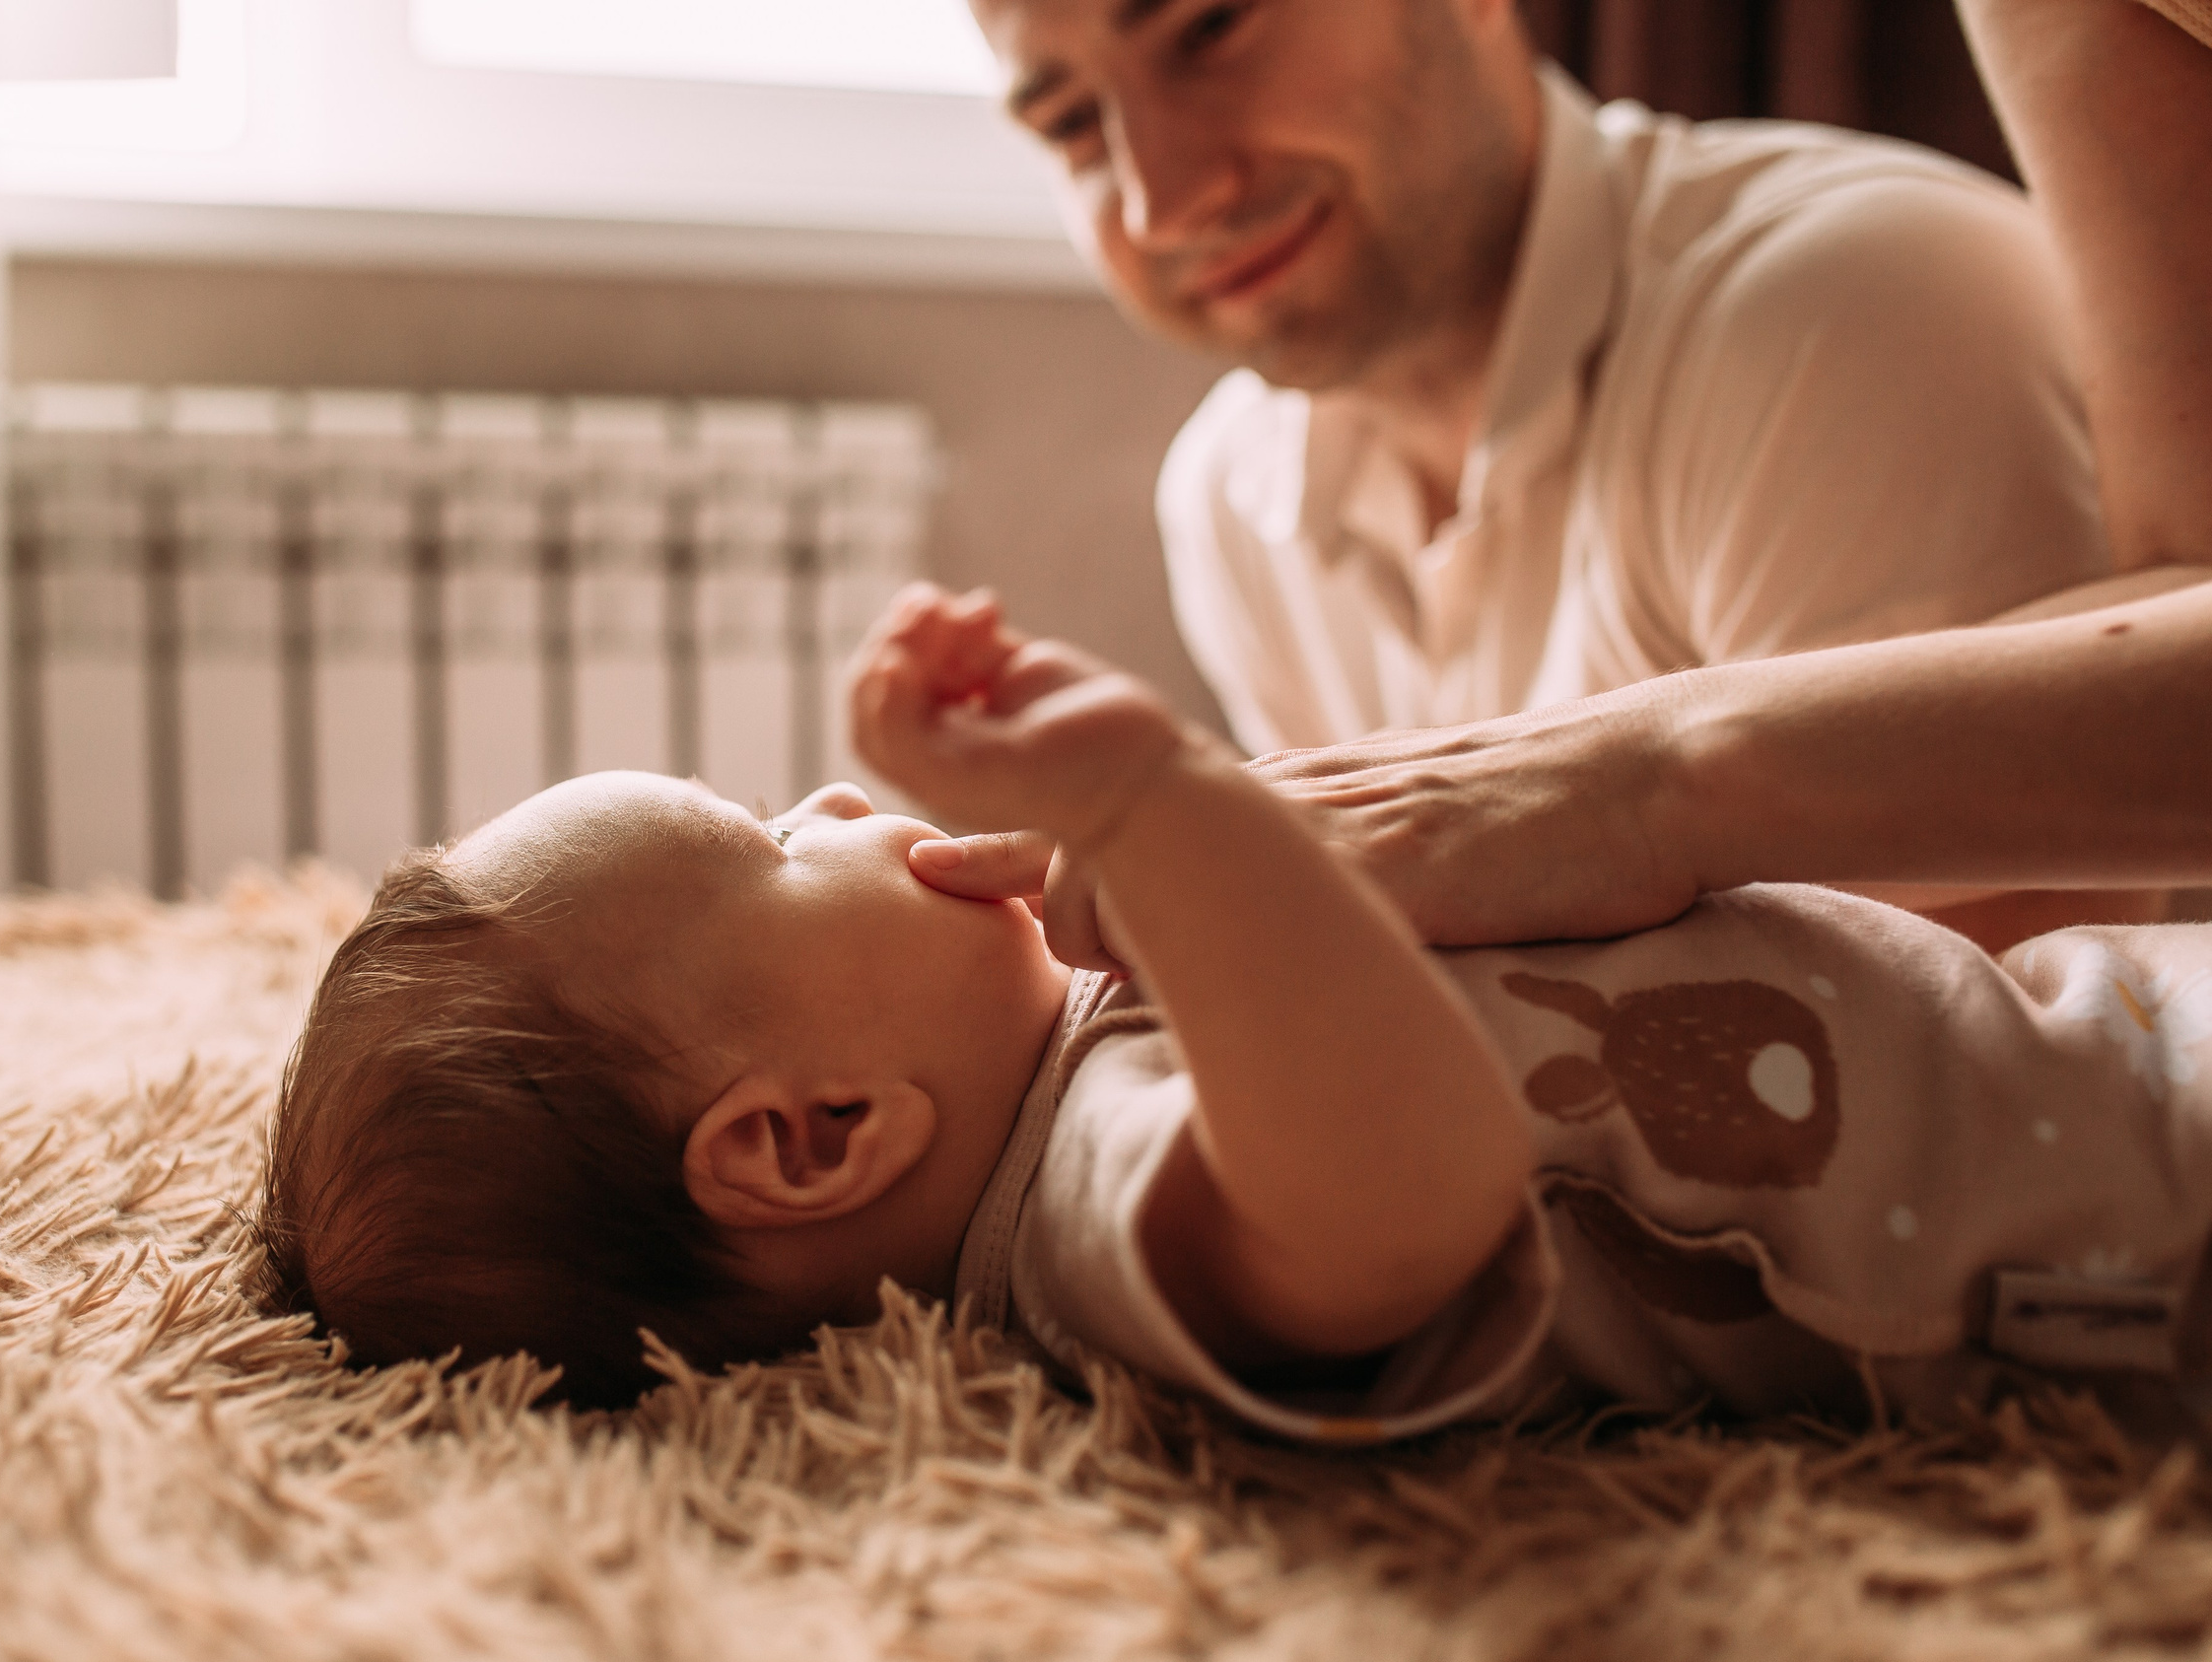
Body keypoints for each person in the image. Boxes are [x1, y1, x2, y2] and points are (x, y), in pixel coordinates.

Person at [256, 585, 2212, 1436]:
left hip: (2090, 1031)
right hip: (2121, 1234)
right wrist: (1160, 816)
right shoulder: (1097, 1219)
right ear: (813, 1133)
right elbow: (1392, 1199)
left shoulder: (1110, 1026)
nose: (841, 802)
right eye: (776, 835)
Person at [933, 0, 2142, 949]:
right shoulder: (1229, 495)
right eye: (1071, 126)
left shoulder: (1842, 311)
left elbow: (1958, 1089)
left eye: (1210, 27)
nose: (1163, 196)